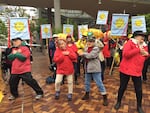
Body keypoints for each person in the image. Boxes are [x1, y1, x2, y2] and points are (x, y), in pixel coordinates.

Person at [114, 31, 148, 113]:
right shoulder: (129, 43)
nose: (142, 38)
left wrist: (145, 54)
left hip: (137, 70)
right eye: (141, 36)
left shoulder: (144, 45)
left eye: (143, 36)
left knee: (139, 89)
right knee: (122, 87)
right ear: (135, 37)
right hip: (126, 69)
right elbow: (126, 54)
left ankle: (139, 106)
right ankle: (118, 102)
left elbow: (146, 55)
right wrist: (138, 50)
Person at [78, 36, 108, 106]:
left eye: (91, 41)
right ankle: (87, 94)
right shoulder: (86, 48)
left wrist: (83, 54)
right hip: (87, 68)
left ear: (94, 42)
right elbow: (84, 55)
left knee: (99, 83)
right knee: (87, 82)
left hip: (95, 68)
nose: (89, 43)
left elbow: (90, 56)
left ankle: (104, 96)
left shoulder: (96, 49)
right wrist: (81, 53)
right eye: (88, 41)